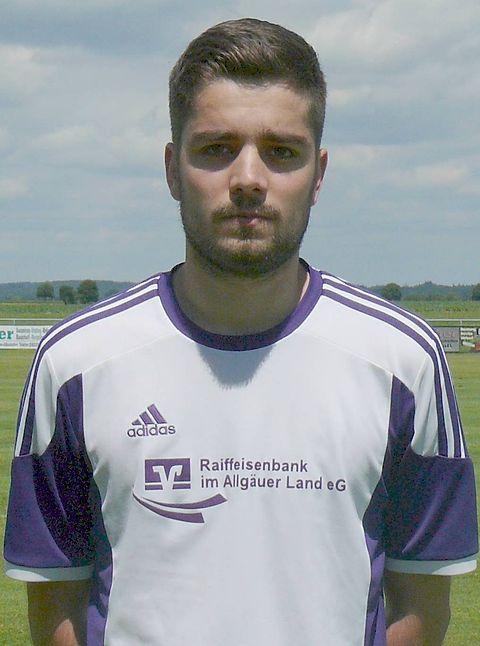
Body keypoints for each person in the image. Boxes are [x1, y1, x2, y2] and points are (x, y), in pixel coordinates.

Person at [3, 17, 478, 646]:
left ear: (319, 174)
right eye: (216, 148)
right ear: (172, 169)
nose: (249, 179)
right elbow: (56, 608)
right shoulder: (74, 365)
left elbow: (419, 605)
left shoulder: (404, 361)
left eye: (281, 152)